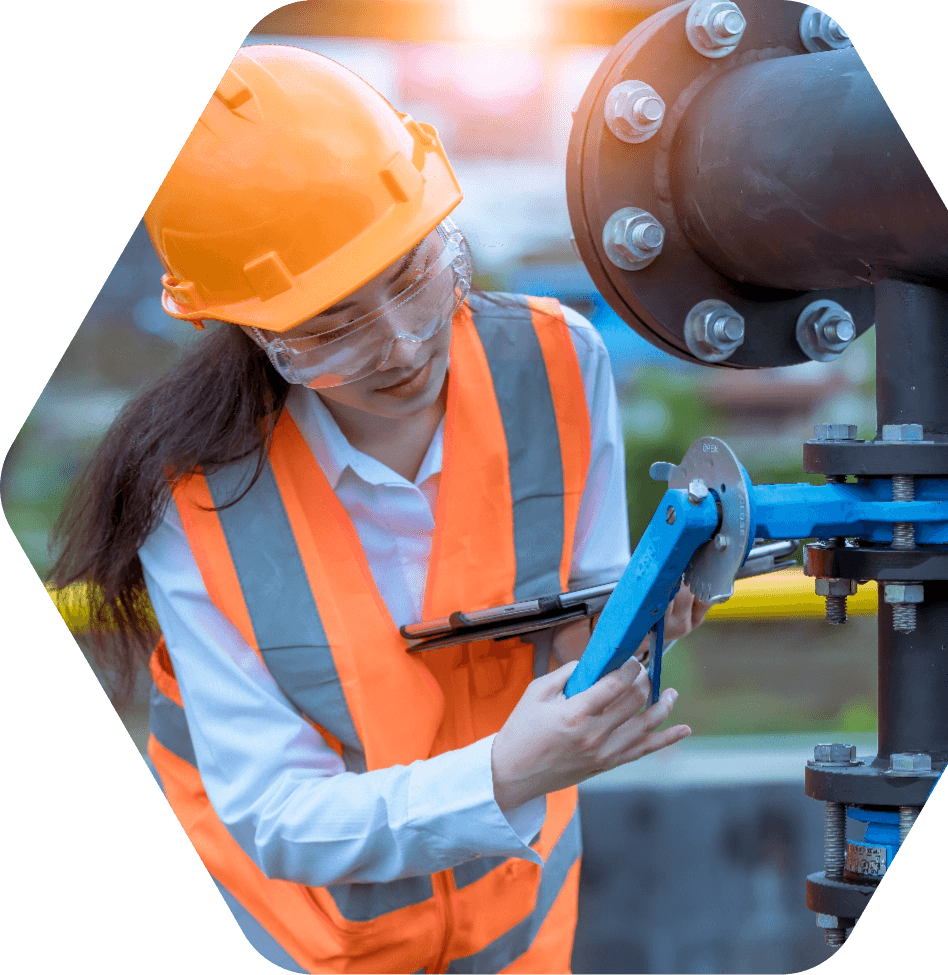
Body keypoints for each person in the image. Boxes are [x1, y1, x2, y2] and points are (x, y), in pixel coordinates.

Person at [50, 44, 710, 973]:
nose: (401, 346)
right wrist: (509, 772)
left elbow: (581, 605)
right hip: (300, 943)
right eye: (330, 323)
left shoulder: (559, 360)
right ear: (248, 325)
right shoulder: (190, 496)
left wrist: (626, 624)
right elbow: (275, 813)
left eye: (410, 275)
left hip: (518, 926)